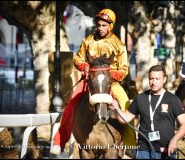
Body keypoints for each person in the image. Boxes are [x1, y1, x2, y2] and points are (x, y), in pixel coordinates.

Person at [50, 8, 136, 156]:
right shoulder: (88, 40)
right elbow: (78, 58)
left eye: (104, 25)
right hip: (89, 82)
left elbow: (124, 70)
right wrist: (85, 67)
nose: (101, 28)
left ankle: (130, 144)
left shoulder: (119, 45)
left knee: (125, 103)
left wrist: (108, 74)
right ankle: (59, 141)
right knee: (70, 105)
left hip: (111, 83)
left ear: (111, 26)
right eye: (99, 25)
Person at [110, 65, 185, 159]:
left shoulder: (173, 99)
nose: (153, 82)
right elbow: (125, 119)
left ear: (164, 79)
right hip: (143, 150)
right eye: (151, 78)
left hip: (166, 150)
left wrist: (174, 140)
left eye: (157, 79)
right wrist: (116, 108)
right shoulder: (140, 98)